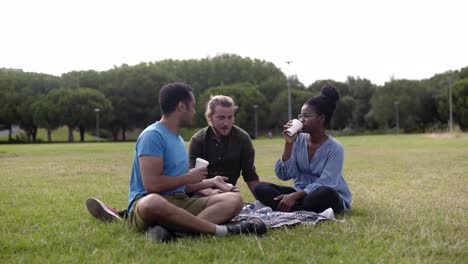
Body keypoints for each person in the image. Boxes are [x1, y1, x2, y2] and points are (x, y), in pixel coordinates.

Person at [89, 83, 266, 242]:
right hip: (147, 203)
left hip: (180, 202)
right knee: (153, 202)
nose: (195, 112)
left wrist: (210, 182)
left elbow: (181, 188)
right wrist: (188, 177)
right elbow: (152, 185)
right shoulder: (153, 136)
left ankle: (174, 231)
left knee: (234, 200)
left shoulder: (178, 139)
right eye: (193, 106)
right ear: (182, 106)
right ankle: (221, 231)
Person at [253, 84, 352, 214]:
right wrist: (288, 144)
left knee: (322, 194)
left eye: (306, 116)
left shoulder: (335, 148)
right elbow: (284, 175)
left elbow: (327, 182)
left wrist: (296, 196)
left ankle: (283, 206)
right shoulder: (298, 140)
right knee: (260, 188)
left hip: (326, 195)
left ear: (321, 118)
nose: (301, 120)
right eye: (300, 116)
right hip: (299, 192)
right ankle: (300, 209)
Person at [188, 95, 260, 197]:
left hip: (228, 195)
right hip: (201, 194)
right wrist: (211, 192)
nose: (226, 123)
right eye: (221, 118)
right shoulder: (198, 140)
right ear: (210, 117)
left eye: (230, 117)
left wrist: (262, 200)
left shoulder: (243, 139)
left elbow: (250, 176)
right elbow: (191, 180)